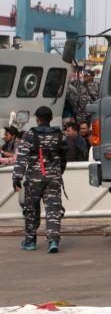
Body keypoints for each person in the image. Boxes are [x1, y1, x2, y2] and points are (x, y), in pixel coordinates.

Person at [12, 106, 67, 253]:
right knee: (53, 210)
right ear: (50, 119)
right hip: (53, 178)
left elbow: (22, 158)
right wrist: (58, 171)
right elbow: (63, 157)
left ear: (37, 119)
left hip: (34, 179)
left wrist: (16, 177)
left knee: (31, 210)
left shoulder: (30, 135)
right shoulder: (59, 135)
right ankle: (53, 241)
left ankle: (30, 242)